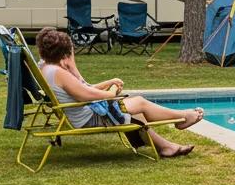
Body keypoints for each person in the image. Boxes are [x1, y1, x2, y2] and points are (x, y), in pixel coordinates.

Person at [35, 27, 202, 158]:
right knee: (139, 103)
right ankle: (182, 117)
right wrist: (112, 94)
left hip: (81, 113)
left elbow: (83, 88)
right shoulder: (60, 73)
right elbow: (85, 95)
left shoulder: (46, 67)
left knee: (137, 111)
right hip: (88, 118)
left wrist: (108, 83)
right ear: (64, 52)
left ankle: (166, 147)